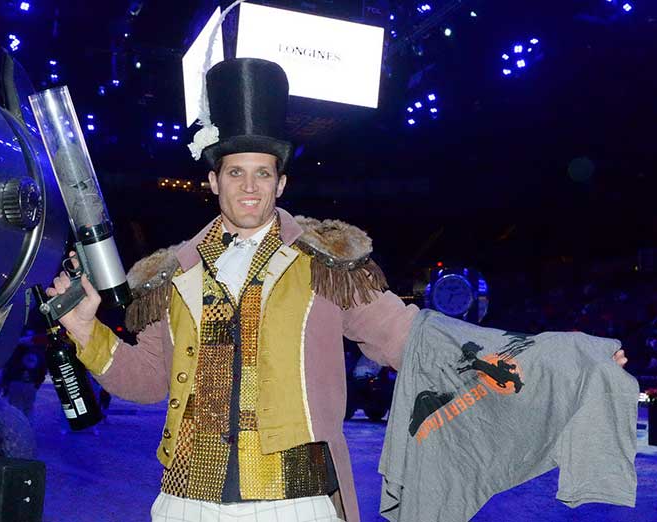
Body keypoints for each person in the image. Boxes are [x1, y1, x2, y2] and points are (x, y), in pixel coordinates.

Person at [47, 58, 629, 522]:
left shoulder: (327, 262)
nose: (249, 187)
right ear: (211, 180)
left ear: (281, 182)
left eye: (263, 172)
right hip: (187, 500)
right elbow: (147, 381)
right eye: (235, 172)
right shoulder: (169, 275)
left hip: (296, 501)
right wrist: (85, 332)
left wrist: (560, 357)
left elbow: (414, 339)